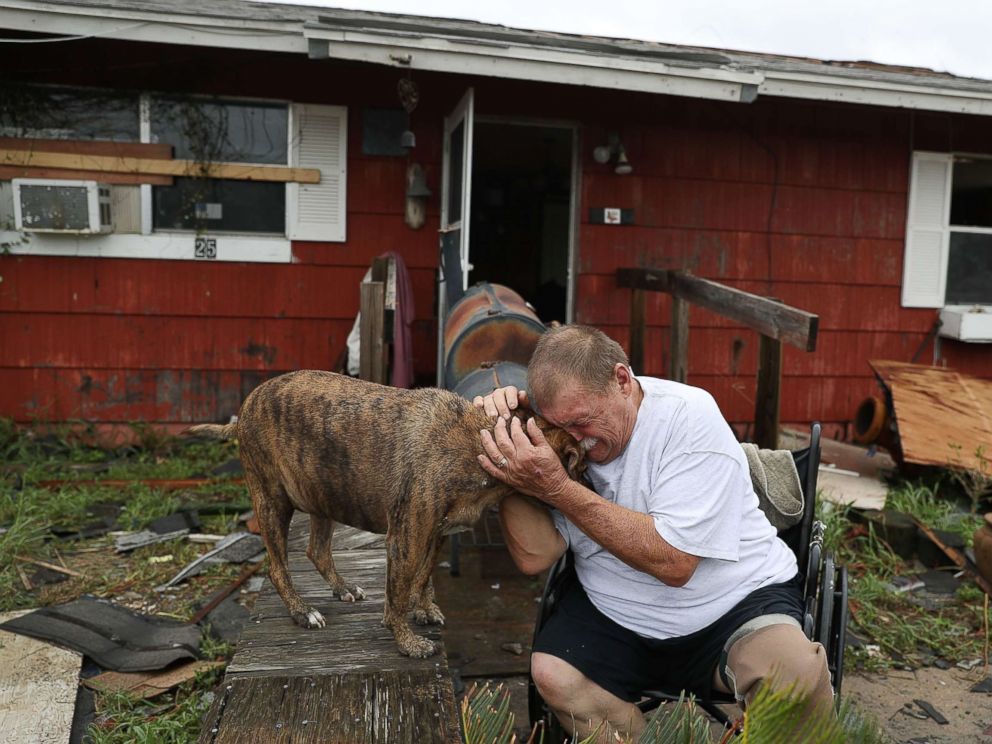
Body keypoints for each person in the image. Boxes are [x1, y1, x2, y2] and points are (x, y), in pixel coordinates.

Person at [474, 324, 832, 739]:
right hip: (616, 613)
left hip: (731, 604)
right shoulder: (555, 431)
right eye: (561, 427)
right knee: (553, 673)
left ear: (622, 381)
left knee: (797, 677)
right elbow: (535, 556)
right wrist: (506, 458)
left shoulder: (687, 416)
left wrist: (557, 488)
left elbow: (675, 563)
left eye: (583, 422)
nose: (575, 441)